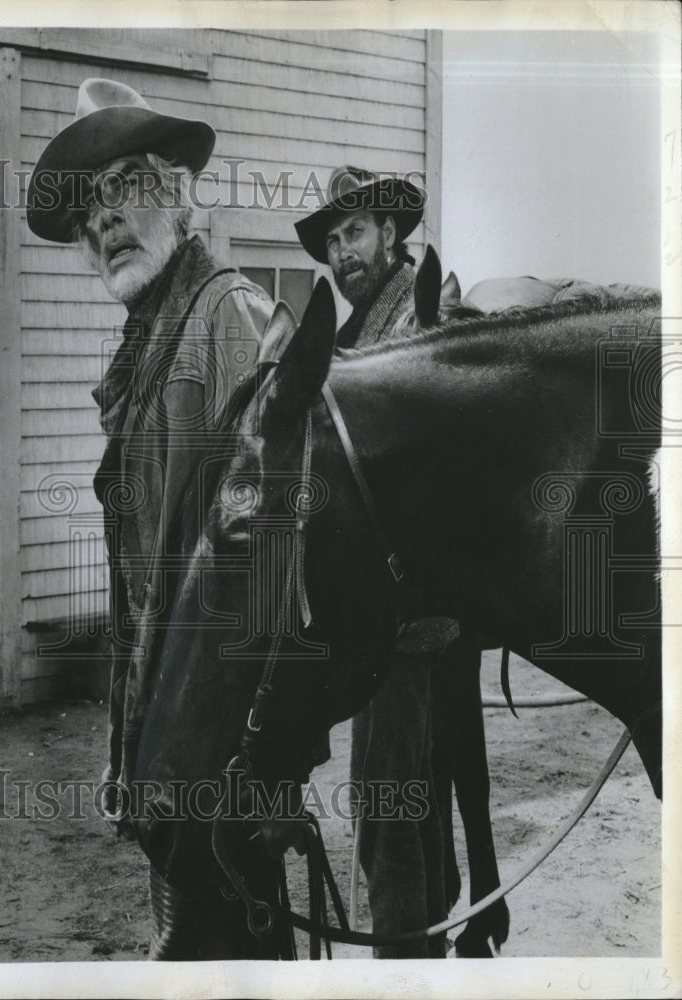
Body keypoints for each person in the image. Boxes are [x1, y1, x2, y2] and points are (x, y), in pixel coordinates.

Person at [27, 78, 296, 959]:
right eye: (85, 210)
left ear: (178, 197)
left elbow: (286, 543)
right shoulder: (147, 343)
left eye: (123, 189)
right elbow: (143, 593)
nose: (100, 222)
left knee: (232, 953)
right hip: (169, 745)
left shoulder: (229, 316)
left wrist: (251, 757)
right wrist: (126, 744)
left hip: (223, 753)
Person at [295, 165, 456, 958]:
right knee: (406, 801)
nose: (341, 252)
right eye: (331, 240)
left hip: (413, 615)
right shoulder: (352, 336)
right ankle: (423, 944)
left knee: (387, 804)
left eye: (353, 231)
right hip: (373, 614)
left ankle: (402, 961)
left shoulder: (425, 317)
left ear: (392, 233)